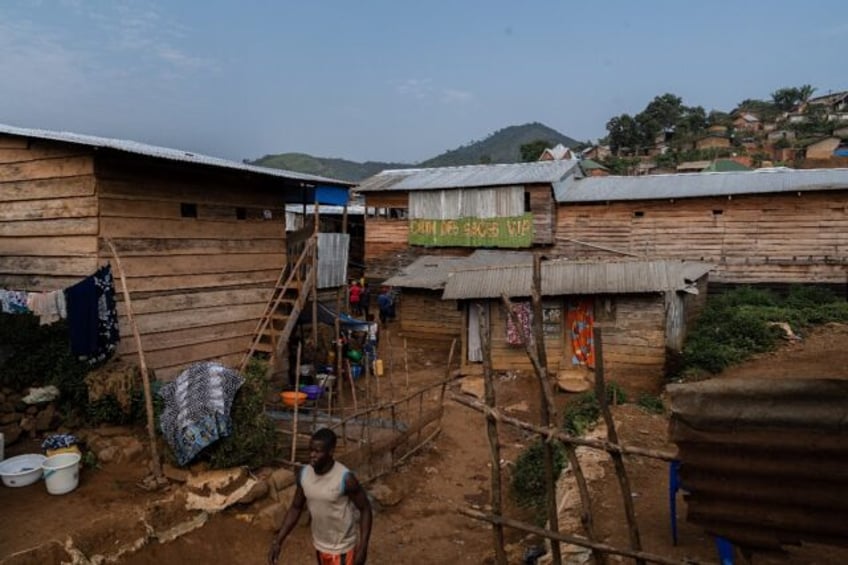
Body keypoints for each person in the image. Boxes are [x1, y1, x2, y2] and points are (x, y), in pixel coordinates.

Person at [268, 428, 372, 565]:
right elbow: (295, 507)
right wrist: (278, 541)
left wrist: (363, 547)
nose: (312, 455)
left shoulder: (345, 479)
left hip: (342, 549)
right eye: (310, 450)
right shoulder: (304, 475)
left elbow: (365, 509)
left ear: (330, 452)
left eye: (317, 451)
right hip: (320, 546)